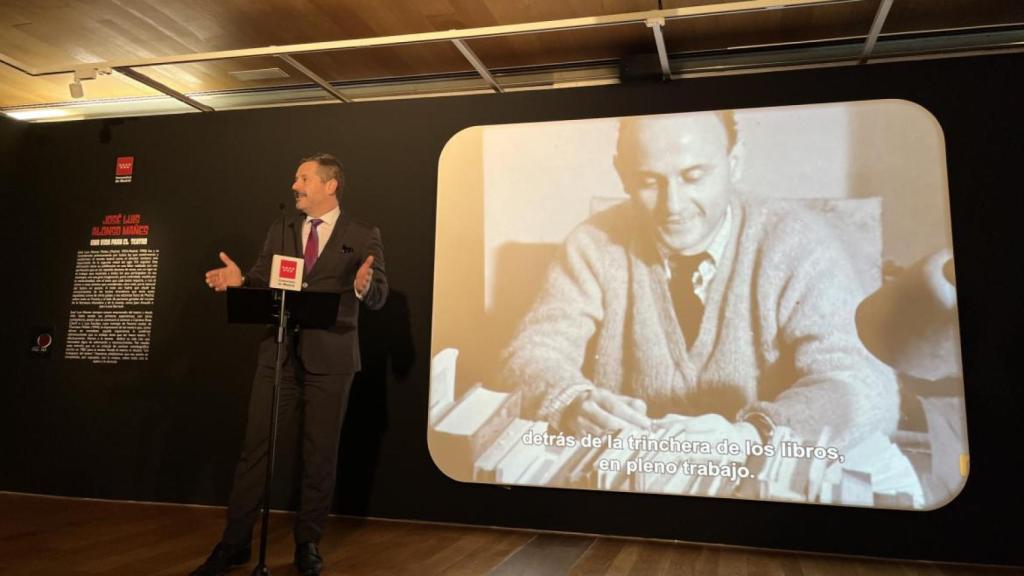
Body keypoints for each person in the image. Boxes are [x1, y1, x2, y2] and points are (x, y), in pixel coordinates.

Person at [499, 111, 898, 461]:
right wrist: (571, 402)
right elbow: (530, 353)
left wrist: (754, 435)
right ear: (622, 174)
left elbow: (865, 386)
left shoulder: (797, 243)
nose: (673, 206)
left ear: (734, 163)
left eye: (694, 177)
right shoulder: (592, 244)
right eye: (649, 181)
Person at [193, 153, 387, 576]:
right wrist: (242, 282)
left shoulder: (362, 234)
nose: (294, 185)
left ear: (330, 185)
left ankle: (308, 545)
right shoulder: (281, 229)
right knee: (255, 451)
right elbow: (263, 278)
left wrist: (363, 286)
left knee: (320, 456)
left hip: (332, 360)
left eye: (303, 178)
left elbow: (379, 294)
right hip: (278, 356)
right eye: (296, 178)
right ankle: (235, 543)